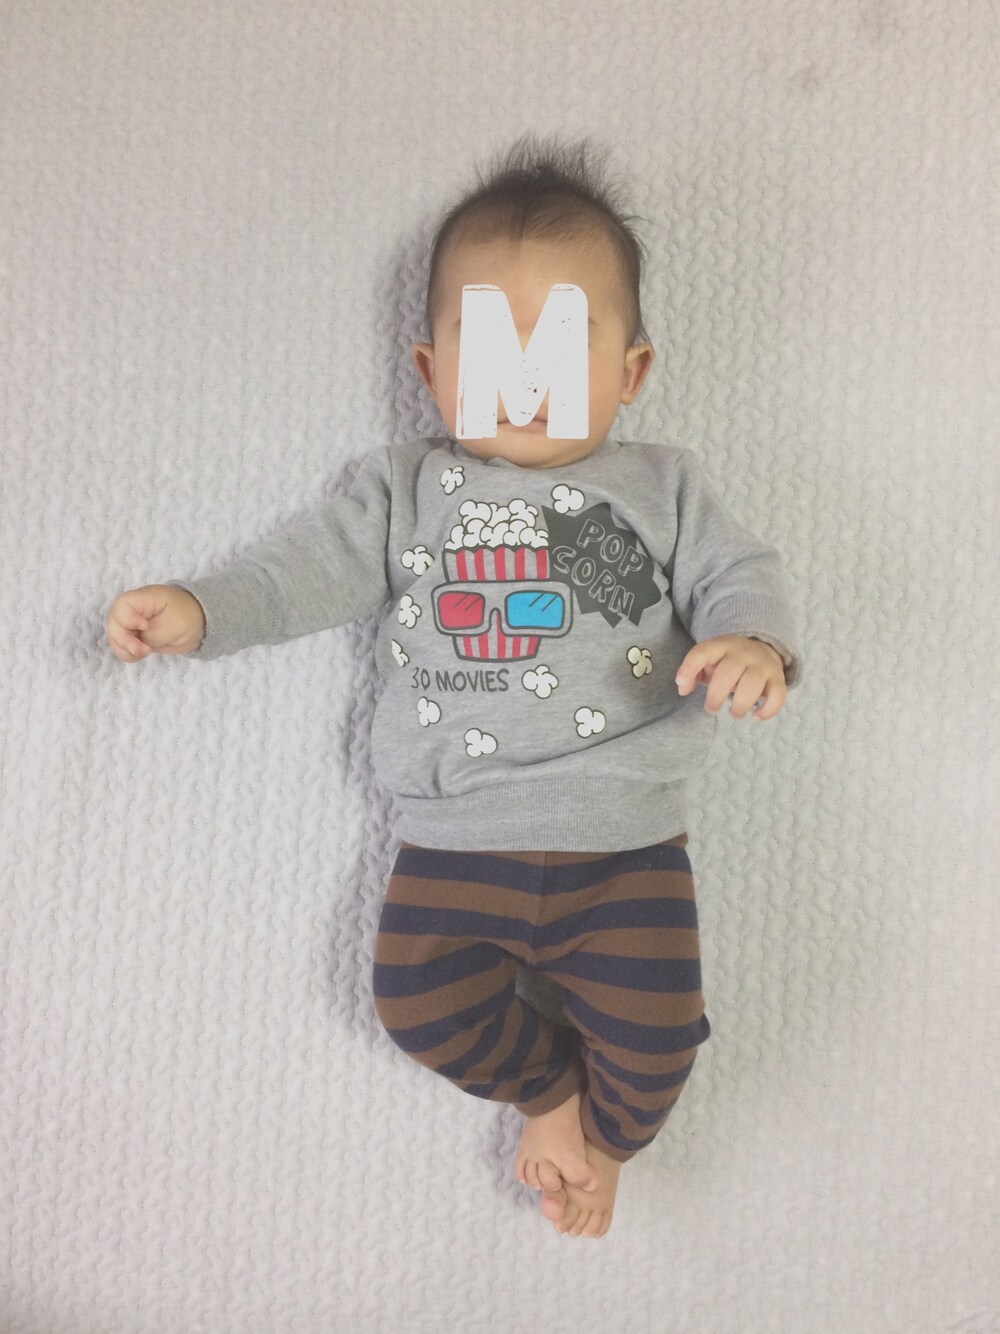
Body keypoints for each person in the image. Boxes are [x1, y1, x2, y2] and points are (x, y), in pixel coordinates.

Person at [105, 134, 803, 1241]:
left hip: (623, 843)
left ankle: (602, 1148)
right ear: (431, 372)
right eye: (491, 346)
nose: (525, 379)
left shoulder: (662, 487)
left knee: (658, 1041)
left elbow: (738, 570)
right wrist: (204, 608)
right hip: (453, 838)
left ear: (630, 374)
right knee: (416, 1001)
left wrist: (751, 640)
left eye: (561, 343)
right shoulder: (409, 487)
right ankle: (548, 1090)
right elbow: (303, 570)